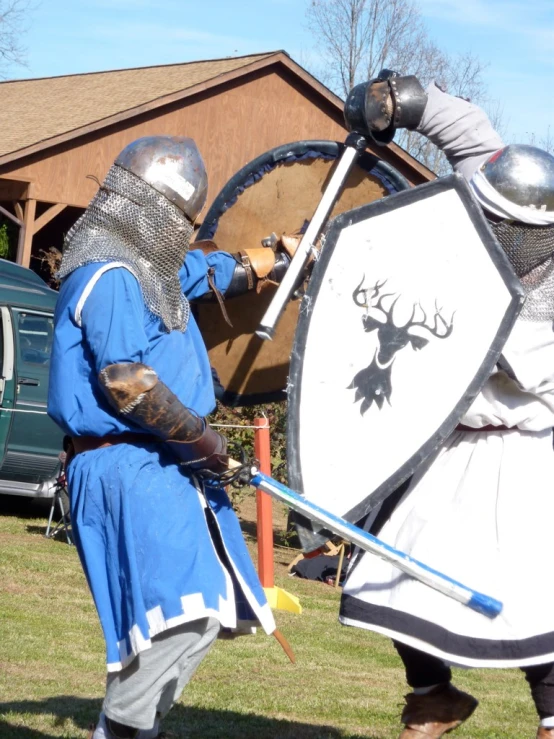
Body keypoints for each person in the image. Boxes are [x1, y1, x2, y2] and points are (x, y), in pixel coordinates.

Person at [47, 135, 293, 739]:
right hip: (129, 464)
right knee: (180, 617)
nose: (182, 235)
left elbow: (202, 271)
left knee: (195, 613)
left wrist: (267, 262)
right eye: (181, 222)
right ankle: (123, 729)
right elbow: (126, 382)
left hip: (161, 464)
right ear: (157, 212)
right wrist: (203, 443)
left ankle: (131, 728)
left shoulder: (146, 269)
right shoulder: (110, 275)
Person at [338, 75, 554, 738]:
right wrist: (396, 99)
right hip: (446, 447)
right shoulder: (485, 184)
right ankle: (434, 695)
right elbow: (462, 127)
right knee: (395, 574)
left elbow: (491, 353)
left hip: (524, 457)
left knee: (533, 600)